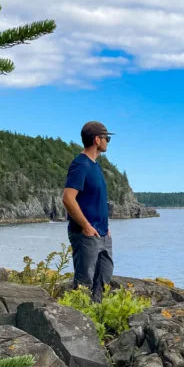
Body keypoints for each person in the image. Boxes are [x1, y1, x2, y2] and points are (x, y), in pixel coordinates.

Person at [63, 121, 114, 302]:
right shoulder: (81, 165)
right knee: (84, 284)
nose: (108, 141)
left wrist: (104, 229)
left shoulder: (95, 166)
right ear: (96, 140)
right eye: (106, 138)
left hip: (102, 234)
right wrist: (86, 226)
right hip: (86, 236)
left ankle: (96, 322)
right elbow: (68, 198)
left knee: (103, 282)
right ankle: (80, 323)